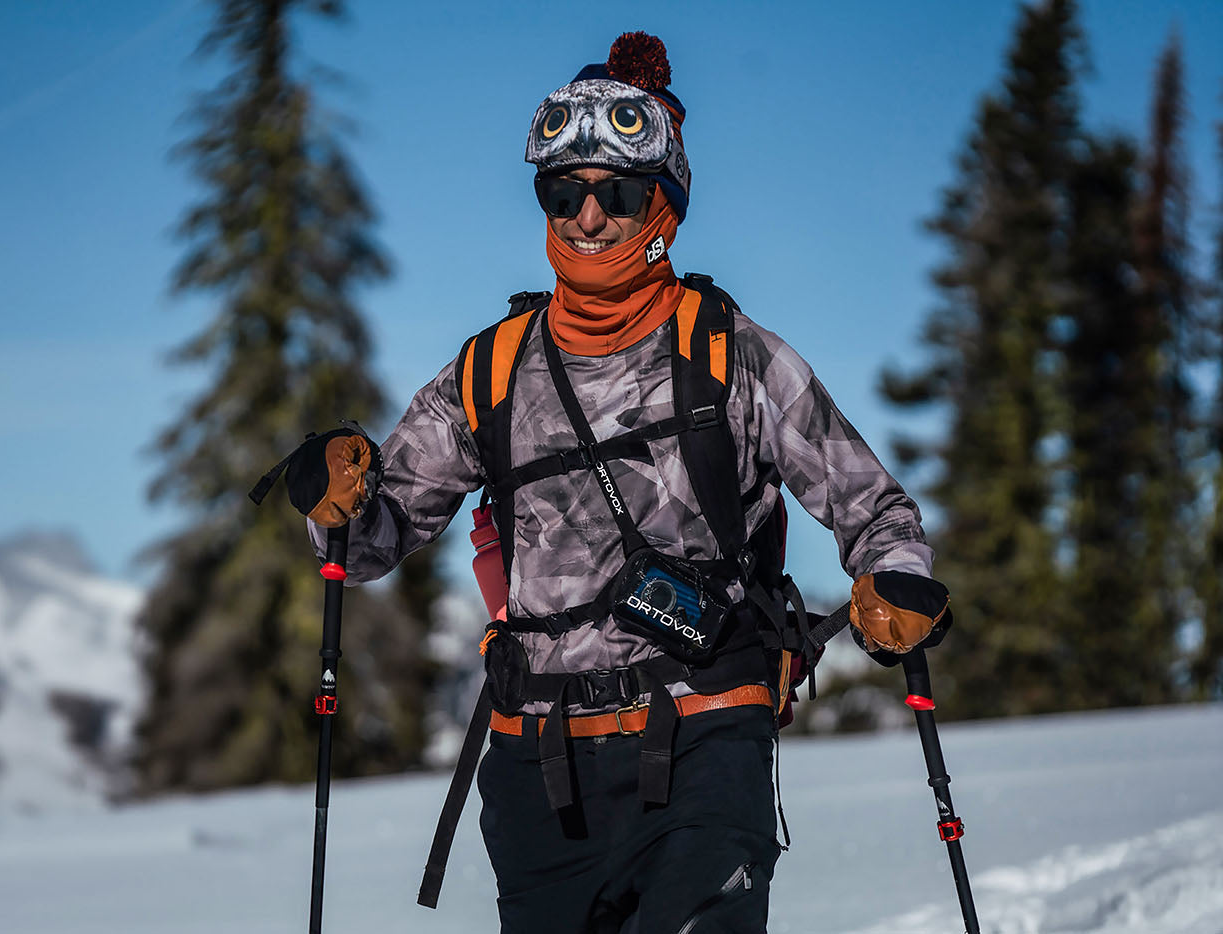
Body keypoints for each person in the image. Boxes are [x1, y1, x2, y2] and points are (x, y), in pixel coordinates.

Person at [274, 32, 950, 934]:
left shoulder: (730, 354)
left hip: (708, 741)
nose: (587, 219)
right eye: (565, 192)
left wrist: (894, 576)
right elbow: (368, 539)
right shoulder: (492, 371)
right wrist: (334, 498)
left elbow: (873, 506)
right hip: (538, 776)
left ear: (663, 207)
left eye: (615, 193)